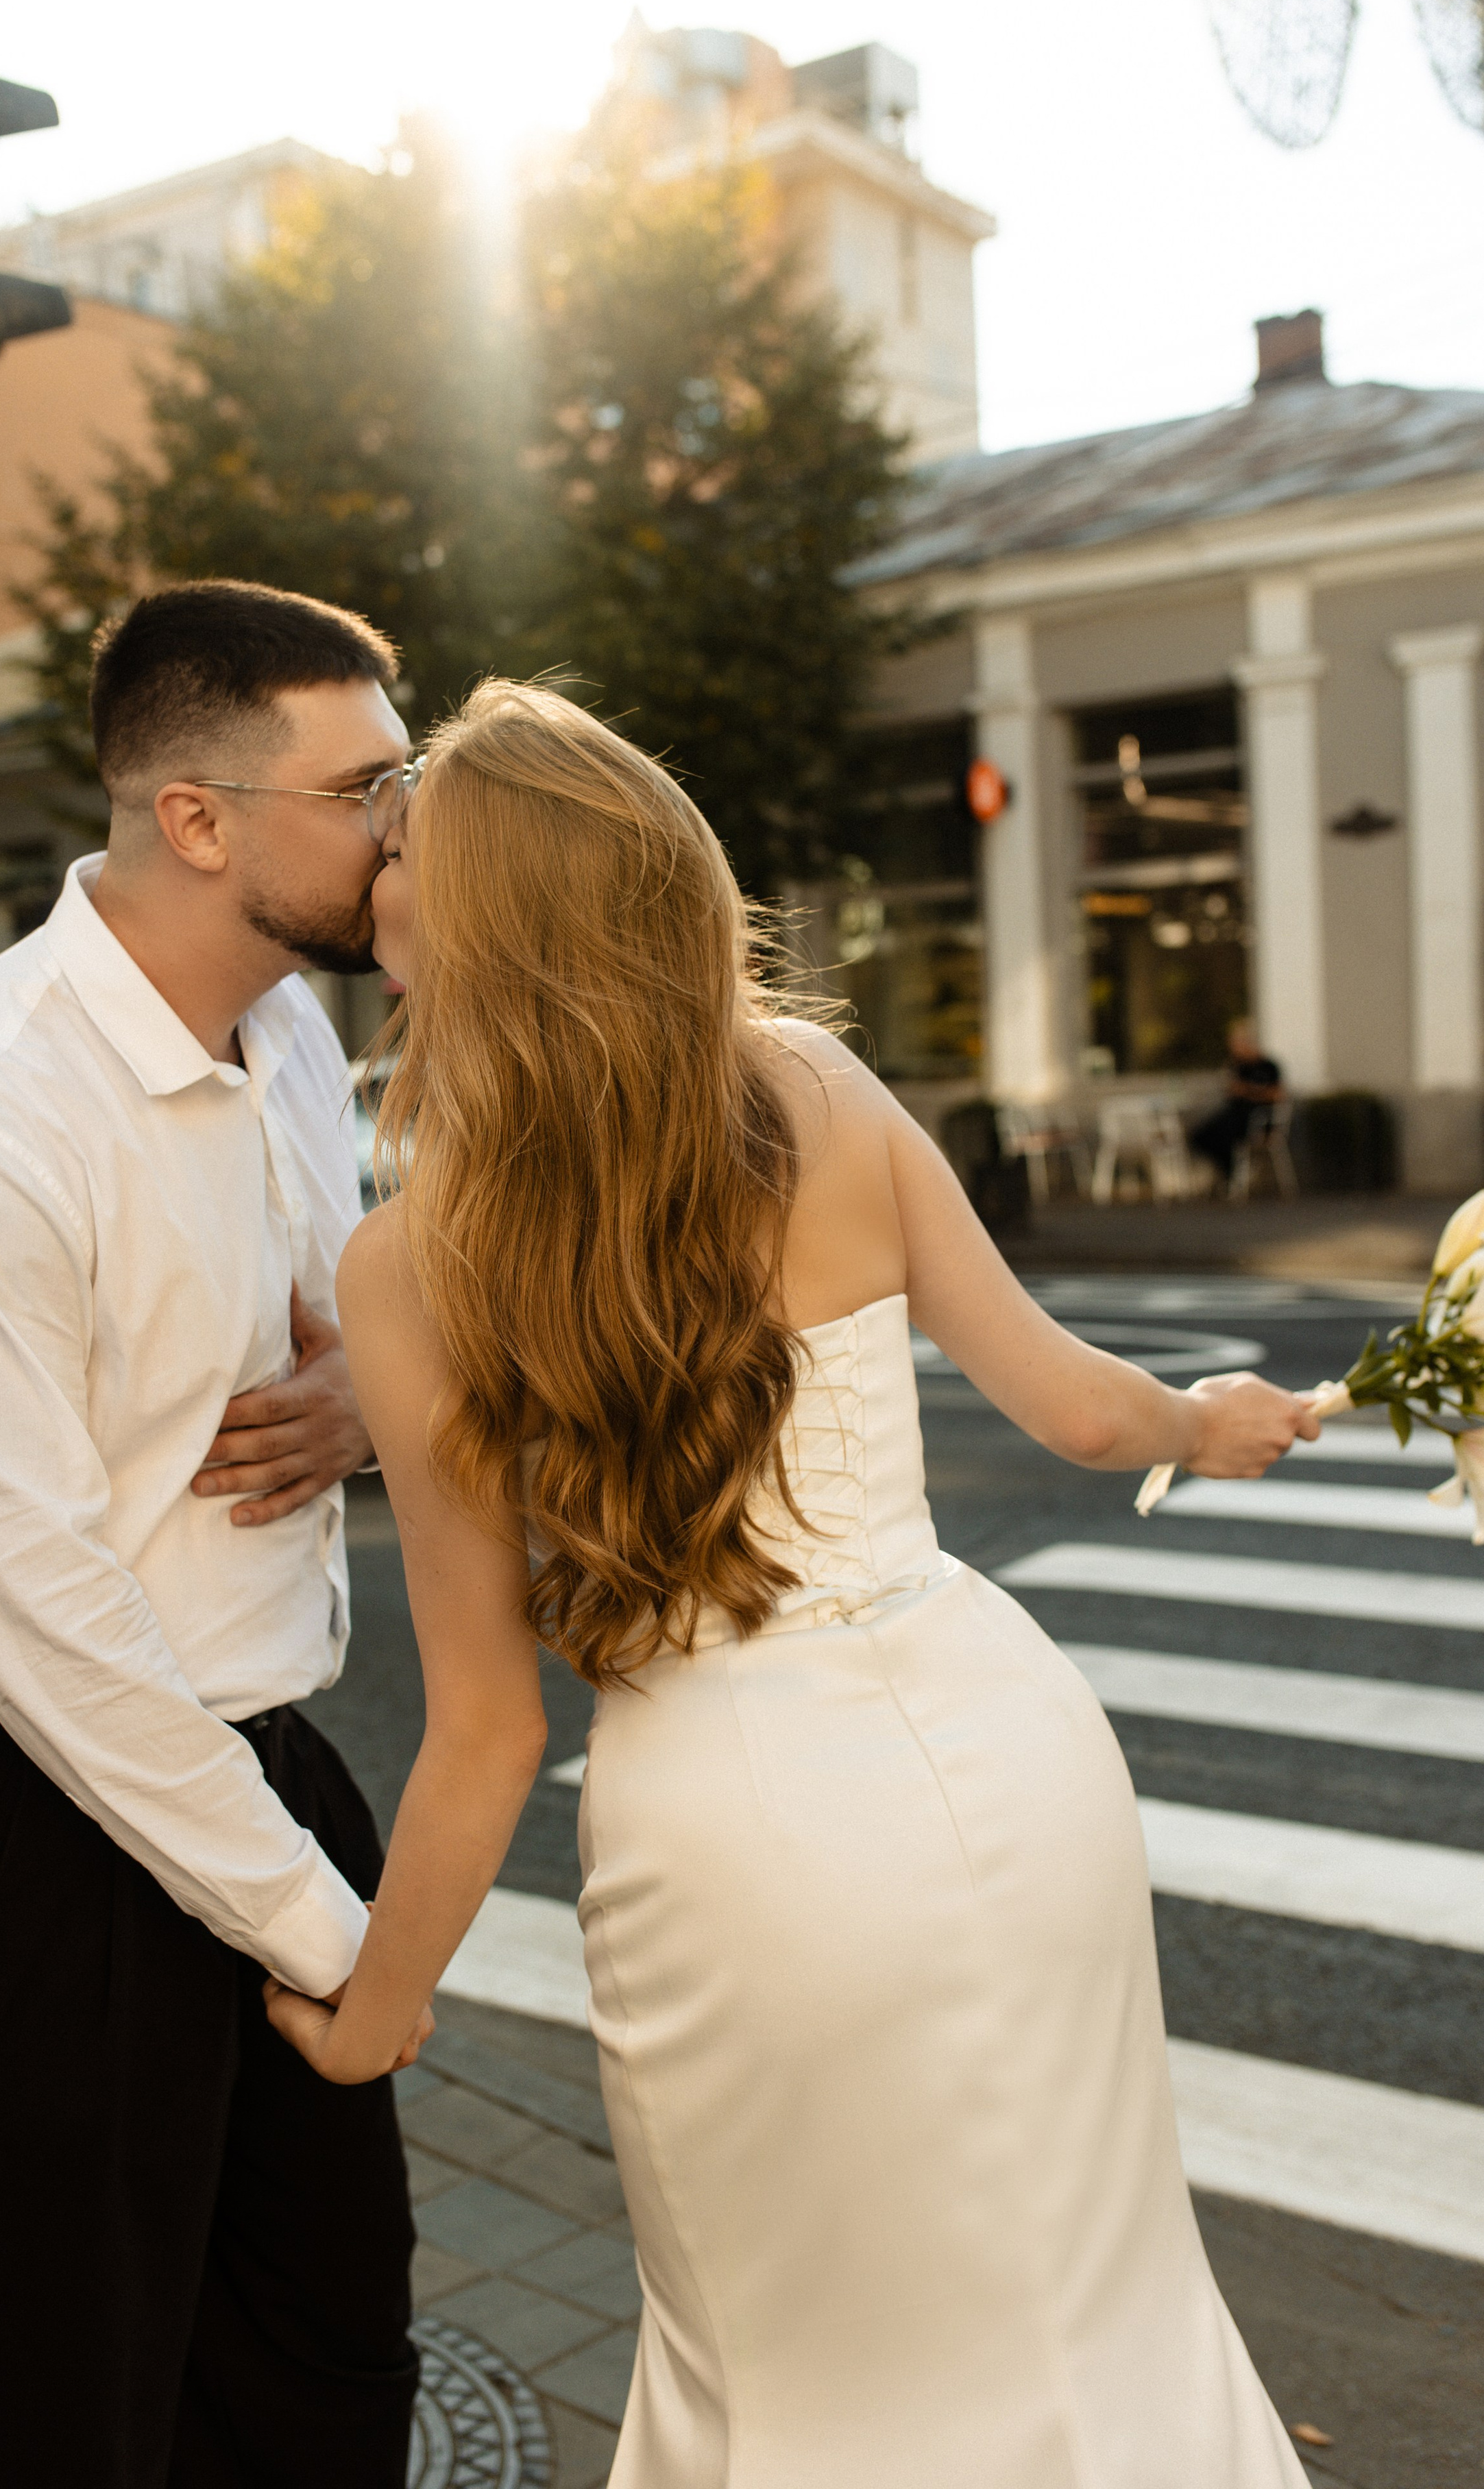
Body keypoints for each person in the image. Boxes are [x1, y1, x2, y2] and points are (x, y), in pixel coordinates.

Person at [265, 681, 1319, 2488]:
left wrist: (374, 2018)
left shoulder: (410, 1265)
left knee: (804, 2375)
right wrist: (1206, 1423)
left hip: (737, 1831)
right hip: (1007, 1748)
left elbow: (486, 1729)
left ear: (481, 924)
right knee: (1098, 2303)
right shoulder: (818, 1086)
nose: (374, 885)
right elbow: (1080, 1412)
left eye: (401, 857)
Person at [0, 581, 430, 2489]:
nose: (405, 826)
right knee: (36, 2416)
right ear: (196, 817)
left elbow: (344, 1326)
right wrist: (332, 1933)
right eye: (366, 788)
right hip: (15, 1826)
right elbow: (39, 1622)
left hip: (260, 1759)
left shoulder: (295, 1038)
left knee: (324, 2362)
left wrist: (366, 1398)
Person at [1191, 1016, 1285, 1187]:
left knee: (1225, 1135)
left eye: (1237, 1044)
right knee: (1201, 1136)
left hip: (1256, 1119)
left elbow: (1278, 1095)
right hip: (1233, 1114)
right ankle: (1232, 1172)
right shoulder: (1237, 1067)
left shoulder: (1268, 1067)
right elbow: (1231, 1092)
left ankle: (1236, 1176)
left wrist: (1249, 1091)